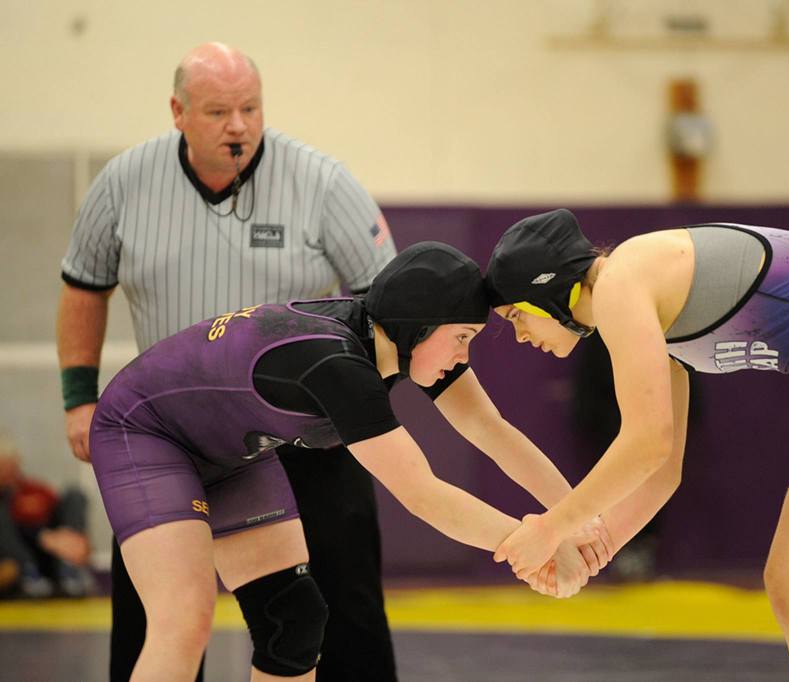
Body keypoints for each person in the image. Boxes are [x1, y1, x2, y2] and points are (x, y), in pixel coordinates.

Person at [89, 242, 607, 681]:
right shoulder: (337, 364)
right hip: (145, 431)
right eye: (463, 339)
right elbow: (423, 495)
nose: (464, 357)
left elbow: (490, 430)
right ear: (417, 326)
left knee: (293, 618)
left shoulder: (398, 338)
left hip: (231, 453)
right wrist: (537, 547)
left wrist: (576, 521)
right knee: (184, 620)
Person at [57, 43, 400, 681]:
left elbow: (390, 297)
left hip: (301, 426)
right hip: (167, 430)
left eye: (250, 108)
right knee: (162, 616)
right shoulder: (124, 183)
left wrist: (355, 402)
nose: (238, 125)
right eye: (218, 111)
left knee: (332, 604)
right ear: (178, 112)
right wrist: (79, 394)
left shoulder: (321, 181)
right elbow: (83, 286)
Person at [486, 209, 789, 681]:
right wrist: (588, 551)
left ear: (551, 291)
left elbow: (646, 444)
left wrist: (551, 528)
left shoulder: (620, 282)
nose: (520, 334)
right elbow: (662, 468)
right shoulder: (642, 296)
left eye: (517, 315)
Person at [0, 437, 93, 598]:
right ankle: (29, 572)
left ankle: (69, 568)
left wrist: (70, 538)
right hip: (20, 557)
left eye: (7, 464)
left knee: (75, 494)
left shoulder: (35, 490)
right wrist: (42, 537)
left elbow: (61, 514)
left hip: (54, 551)